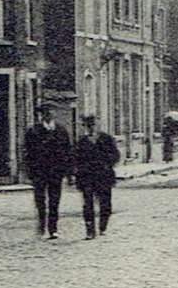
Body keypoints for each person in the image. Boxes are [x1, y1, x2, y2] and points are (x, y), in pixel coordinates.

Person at [24, 103, 74, 240]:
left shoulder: (61, 131)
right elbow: (28, 153)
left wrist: (69, 173)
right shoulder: (33, 131)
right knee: (40, 200)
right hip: (39, 171)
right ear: (41, 115)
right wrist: (29, 172)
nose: (48, 115)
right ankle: (41, 225)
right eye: (45, 113)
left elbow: (68, 153)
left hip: (56, 171)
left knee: (54, 200)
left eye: (51, 112)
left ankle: (53, 228)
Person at [74, 113, 120, 240]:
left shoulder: (107, 139)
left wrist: (106, 163)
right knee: (87, 204)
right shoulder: (81, 142)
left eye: (93, 125)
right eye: (88, 125)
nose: (91, 128)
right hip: (87, 177)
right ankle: (90, 230)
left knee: (105, 203)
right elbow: (75, 159)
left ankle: (103, 226)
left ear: (98, 125)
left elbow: (116, 156)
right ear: (85, 126)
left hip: (103, 176)